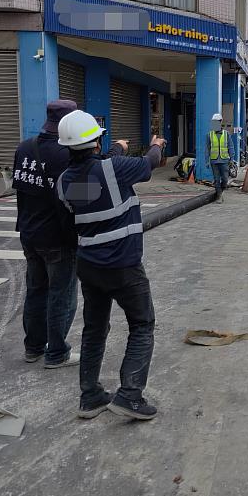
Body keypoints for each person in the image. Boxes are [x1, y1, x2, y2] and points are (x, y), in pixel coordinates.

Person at [56, 110, 165, 420]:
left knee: (94, 329)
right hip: (124, 266)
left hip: (90, 266)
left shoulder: (66, 181)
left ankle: (90, 396)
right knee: (142, 325)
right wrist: (156, 144)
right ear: (95, 142)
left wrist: (117, 147)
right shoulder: (114, 169)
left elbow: (99, 172)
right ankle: (129, 395)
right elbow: (148, 164)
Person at [13, 99, 80, 369]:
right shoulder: (66, 155)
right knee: (61, 295)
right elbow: (81, 195)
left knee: (36, 291)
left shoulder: (24, 148)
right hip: (57, 238)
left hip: (29, 233)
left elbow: (22, 191)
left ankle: (33, 347)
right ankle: (57, 353)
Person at [205, 113, 234, 204]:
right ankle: (219, 195)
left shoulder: (226, 134)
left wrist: (232, 159)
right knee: (217, 179)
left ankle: (221, 191)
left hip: (224, 160)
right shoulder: (209, 135)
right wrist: (206, 160)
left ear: (221, 122)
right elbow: (207, 148)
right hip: (214, 161)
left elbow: (230, 146)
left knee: (225, 179)